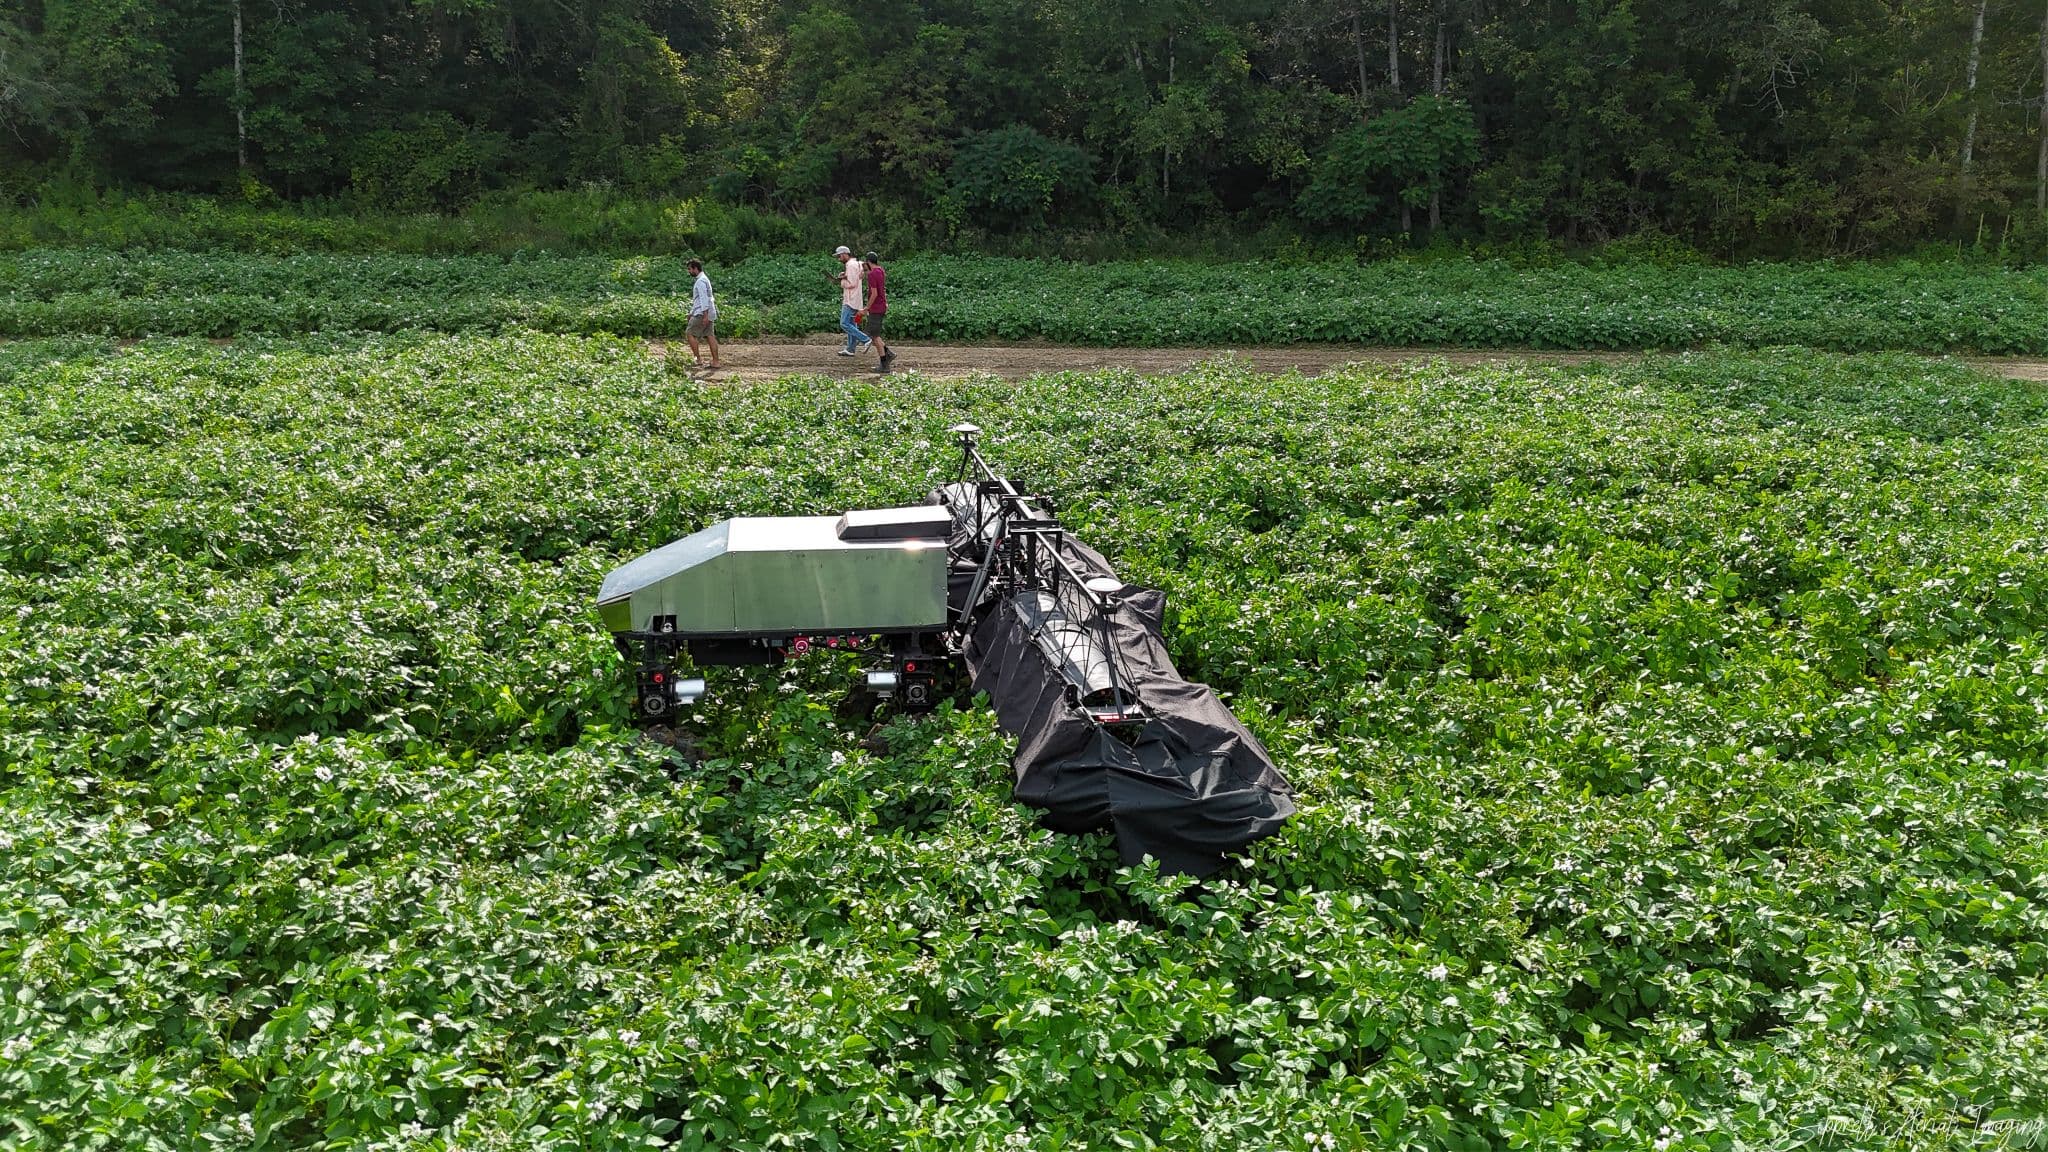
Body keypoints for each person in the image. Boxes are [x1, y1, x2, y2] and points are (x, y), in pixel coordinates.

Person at [829, 245, 872, 357]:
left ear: (844, 254)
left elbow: (852, 283)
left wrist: (840, 282)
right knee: (852, 323)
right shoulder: (858, 263)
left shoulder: (851, 265)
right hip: (856, 299)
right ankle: (850, 348)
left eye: (839, 256)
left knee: (844, 323)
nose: (839, 259)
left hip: (850, 299)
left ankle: (865, 339)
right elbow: (860, 274)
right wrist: (844, 276)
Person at [861, 250, 895, 374]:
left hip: (876, 308)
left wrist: (866, 308)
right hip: (881, 306)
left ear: (868, 262)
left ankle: (885, 363)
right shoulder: (880, 271)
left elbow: (874, 293)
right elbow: (882, 290)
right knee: (874, 334)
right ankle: (888, 354)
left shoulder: (872, 274)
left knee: (875, 336)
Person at [685, 258, 721, 371]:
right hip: (709, 311)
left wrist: (704, 315)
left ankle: (698, 359)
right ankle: (716, 361)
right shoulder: (704, 279)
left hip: (702, 312)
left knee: (690, 333)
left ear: (695, 268)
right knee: (710, 336)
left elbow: (703, 299)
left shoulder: (700, 281)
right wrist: (692, 312)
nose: (689, 271)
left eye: (690, 269)